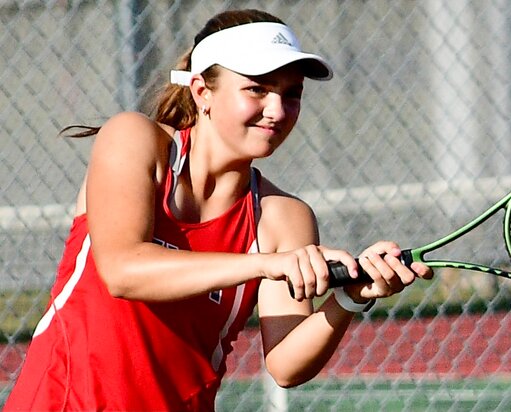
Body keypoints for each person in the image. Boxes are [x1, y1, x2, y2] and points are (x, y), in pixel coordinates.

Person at [4, 8, 432, 411]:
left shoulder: (283, 216)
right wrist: (267, 264)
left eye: (291, 94)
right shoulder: (133, 139)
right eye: (257, 89)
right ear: (201, 92)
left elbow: (285, 364)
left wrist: (348, 299)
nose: (277, 111)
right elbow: (122, 270)